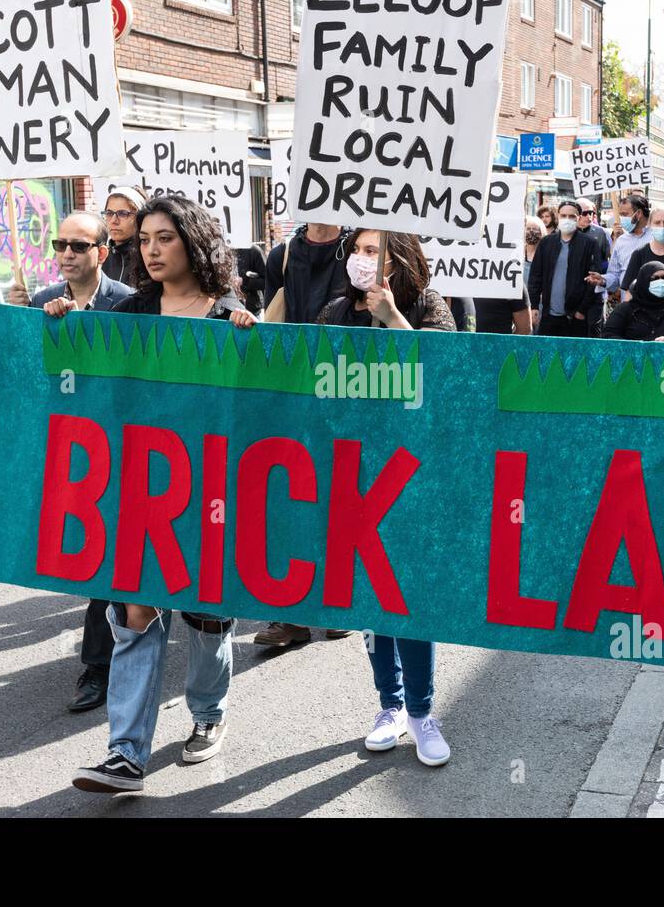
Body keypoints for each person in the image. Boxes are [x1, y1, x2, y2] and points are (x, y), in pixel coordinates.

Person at [72, 197, 255, 794]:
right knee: (134, 612)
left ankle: (208, 713)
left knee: (206, 617)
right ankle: (126, 754)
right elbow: (88, 376)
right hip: (139, 490)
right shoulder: (128, 312)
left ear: (193, 243)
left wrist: (251, 348)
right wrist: (59, 320)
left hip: (208, 492)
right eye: (145, 239)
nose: (150, 249)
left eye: (165, 238)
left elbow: (253, 408)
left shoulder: (229, 315)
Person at [314, 228, 454, 767]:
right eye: (357, 250)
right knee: (373, 599)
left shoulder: (428, 306)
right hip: (356, 471)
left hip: (413, 473)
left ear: (400, 258)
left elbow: (446, 377)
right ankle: (389, 705)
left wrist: (395, 320)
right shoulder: (334, 312)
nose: (360, 260)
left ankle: (421, 712)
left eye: (373, 251)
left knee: (409, 596)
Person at [6, 212, 133, 710]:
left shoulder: (127, 303)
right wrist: (26, 324)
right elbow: (29, 376)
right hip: (72, 451)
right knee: (97, 557)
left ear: (102, 252)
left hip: (120, 447)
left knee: (111, 562)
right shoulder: (41, 302)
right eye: (60, 244)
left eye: (79, 246)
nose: (67, 253)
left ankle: (97, 668)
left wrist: (83, 330)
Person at [256, 221, 354, 648]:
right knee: (290, 494)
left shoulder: (360, 244)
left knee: (338, 496)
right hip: (292, 387)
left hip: (348, 385)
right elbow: (272, 316)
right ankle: (289, 613)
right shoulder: (281, 255)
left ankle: (337, 603)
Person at [527, 200, 605, 337]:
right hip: (548, 316)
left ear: (579, 218)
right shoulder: (546, 243)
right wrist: (534, 305)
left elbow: (593, 281)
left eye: (571, 216)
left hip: (575, 317)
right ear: (557, 216)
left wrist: (581, 311)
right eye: (563, 216)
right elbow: (535, 276)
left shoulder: (589, 244)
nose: (567, 219)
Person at [476, 220, 536, 335]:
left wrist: (506, 348)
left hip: (497, 350)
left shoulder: (511, 279)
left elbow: (524, 329)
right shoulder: (456, 275)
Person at [605, 193, 653, 297]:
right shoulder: (621, 241)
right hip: (628, 305)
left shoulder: (657, 237)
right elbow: (615, 275)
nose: (622, 219)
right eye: (620, 215)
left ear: (638, 213)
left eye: (624, 214)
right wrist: (603, 280)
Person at [99, 186, 147, 288]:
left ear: (139, 217)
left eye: (122, 214)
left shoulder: (147, 257)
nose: (114, 220)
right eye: (109, 213)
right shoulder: (100, 258)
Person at [576, 197, 613, 281]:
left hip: (594, 283)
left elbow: (608, 257)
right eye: (585, 213)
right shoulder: (567, 232)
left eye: (591, 213)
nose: (589, 216)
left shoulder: (600, 232)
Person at [235, 242, 268, 316]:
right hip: (227, 312)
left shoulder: (254, 250)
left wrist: (244, 281)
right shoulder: (221, 249)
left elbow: (267, 280)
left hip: (251, 311)